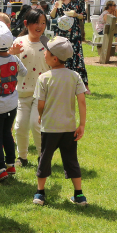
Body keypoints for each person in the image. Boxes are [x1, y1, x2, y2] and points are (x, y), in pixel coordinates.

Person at [33, 36, 88, 206]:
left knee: (45, 158)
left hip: (50, 128)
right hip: (69, 128)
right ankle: (79, 195)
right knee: (71, 160)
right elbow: (82, 101)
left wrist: (41, 114)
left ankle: (40, 194)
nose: (44, 53)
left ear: (54, 58)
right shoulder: (75, 76)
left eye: (46, 52)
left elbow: (40, 104)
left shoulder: (44, 78)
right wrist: (82, 125)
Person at [0, 23, 27, 181]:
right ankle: (11, 164)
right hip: (12, 104)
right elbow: (24, 72)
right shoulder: (14, 59)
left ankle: (0, 168)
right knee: (8, 133)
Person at [13, 9, 50, 167]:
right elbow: (10, 66)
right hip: (21, 93)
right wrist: (11, 53)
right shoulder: (18, 42)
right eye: (37, 22)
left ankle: (43, 157)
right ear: (27, 23)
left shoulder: (47, 43)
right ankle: (22, 157)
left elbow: (54, 65)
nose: (40, 26)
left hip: (41, 94)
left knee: (36, 124)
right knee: (20, 125)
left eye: (43, 23)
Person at [50, 0, 89, 93]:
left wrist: (76, 15)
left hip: (74, 32)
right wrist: (55, 7)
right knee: (60, 56)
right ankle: (61, 85)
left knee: (77, 56)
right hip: (61, 31)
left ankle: (84, 86)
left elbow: (84, 16)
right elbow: (52, 16)